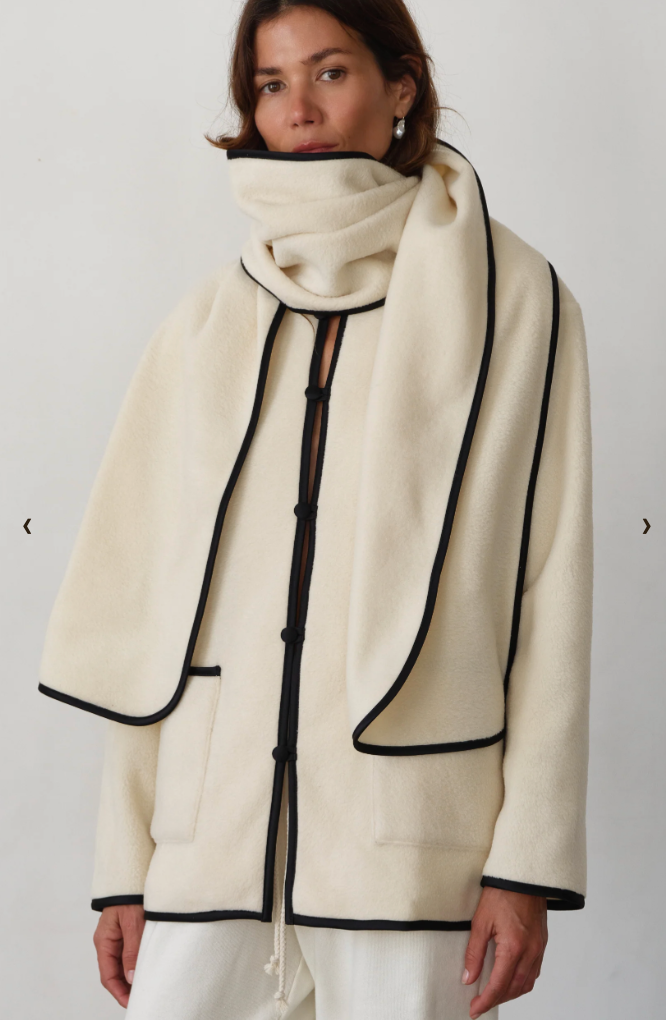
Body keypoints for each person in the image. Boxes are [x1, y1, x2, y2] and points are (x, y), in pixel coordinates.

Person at [38, 1, 593, 1018]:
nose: (299, 108)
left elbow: (549, 591)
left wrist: (527, 864)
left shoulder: (517, 301)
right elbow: (150, 619)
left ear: (401, 85)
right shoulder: (205, 321)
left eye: (331, 72)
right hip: (208, 844)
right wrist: (125, 864)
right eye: (270, 83)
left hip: (413, 851)